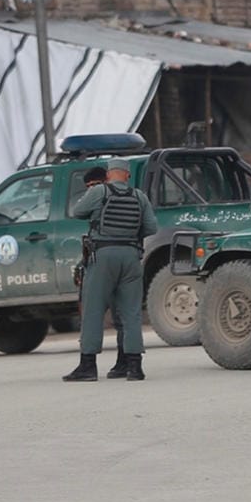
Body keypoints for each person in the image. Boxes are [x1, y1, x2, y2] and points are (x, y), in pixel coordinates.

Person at [64, 158, 157, 382]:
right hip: (132, 257)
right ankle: (134, 367)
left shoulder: (100, 192)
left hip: (103, 255)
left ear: (108, 174)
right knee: (131, 312)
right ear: (127, 175)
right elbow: (151, 228)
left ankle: (88, 366)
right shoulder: (139, 196)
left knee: (93, 310)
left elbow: (78, 211)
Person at [79, 166, 131, 381]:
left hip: (107, 263)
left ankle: (96, 365)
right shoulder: (126, 199)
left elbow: (76, 211)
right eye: (88, 188)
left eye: (95, 186)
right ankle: (125, 361)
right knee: (121, 314)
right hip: (112, 260)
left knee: (110, 314)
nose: (91, 191)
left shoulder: (107, 200)